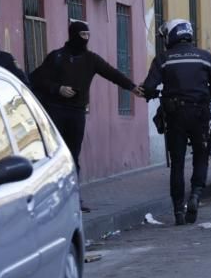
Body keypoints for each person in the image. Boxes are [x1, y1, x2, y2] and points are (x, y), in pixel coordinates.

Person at [30, 21, 142, 210]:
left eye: (87, 35)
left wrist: (131, 87)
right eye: (82, 35)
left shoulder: (91, 59)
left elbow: (111, 73)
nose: (85, 39)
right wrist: (58, 89)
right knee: (54, 155)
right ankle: (51, 198)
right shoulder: (56, 57)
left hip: (77, 113)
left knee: (73, 156)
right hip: (55, 111)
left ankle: (73, 198)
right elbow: (36, 79)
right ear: (73, 35)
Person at [141, 19, 211, 226]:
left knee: (177, 163)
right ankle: (196, 195)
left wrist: (151, 93)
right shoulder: (205, 57)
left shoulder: (163, 59)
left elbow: (149, 87)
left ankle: (179, 210)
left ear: (171, 35)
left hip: (175, 115)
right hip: (200, 113)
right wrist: (204, 94)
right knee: (201, 156)